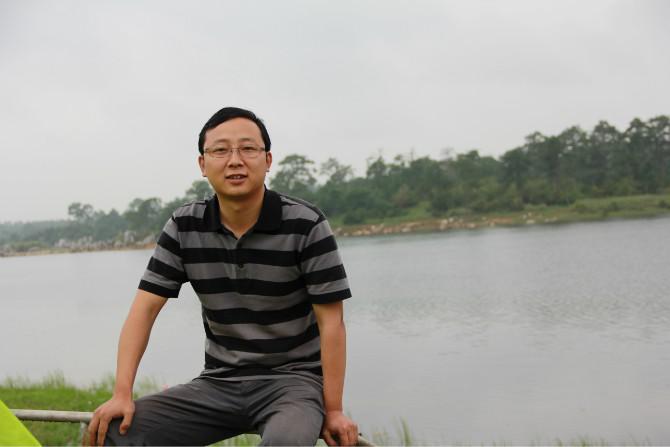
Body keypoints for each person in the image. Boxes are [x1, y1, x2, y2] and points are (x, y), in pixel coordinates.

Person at [87, 107, 358, 446]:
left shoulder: (306, 224)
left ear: (268, 160)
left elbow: (332, 323)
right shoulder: (185, 226)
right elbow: (144, 310)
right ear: (203, 164)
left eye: (248, 148)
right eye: (220, 150)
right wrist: (121, 393)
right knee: (111, 433)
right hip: (219, 382)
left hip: (293, 383)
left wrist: (334, 409)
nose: (235, 161)